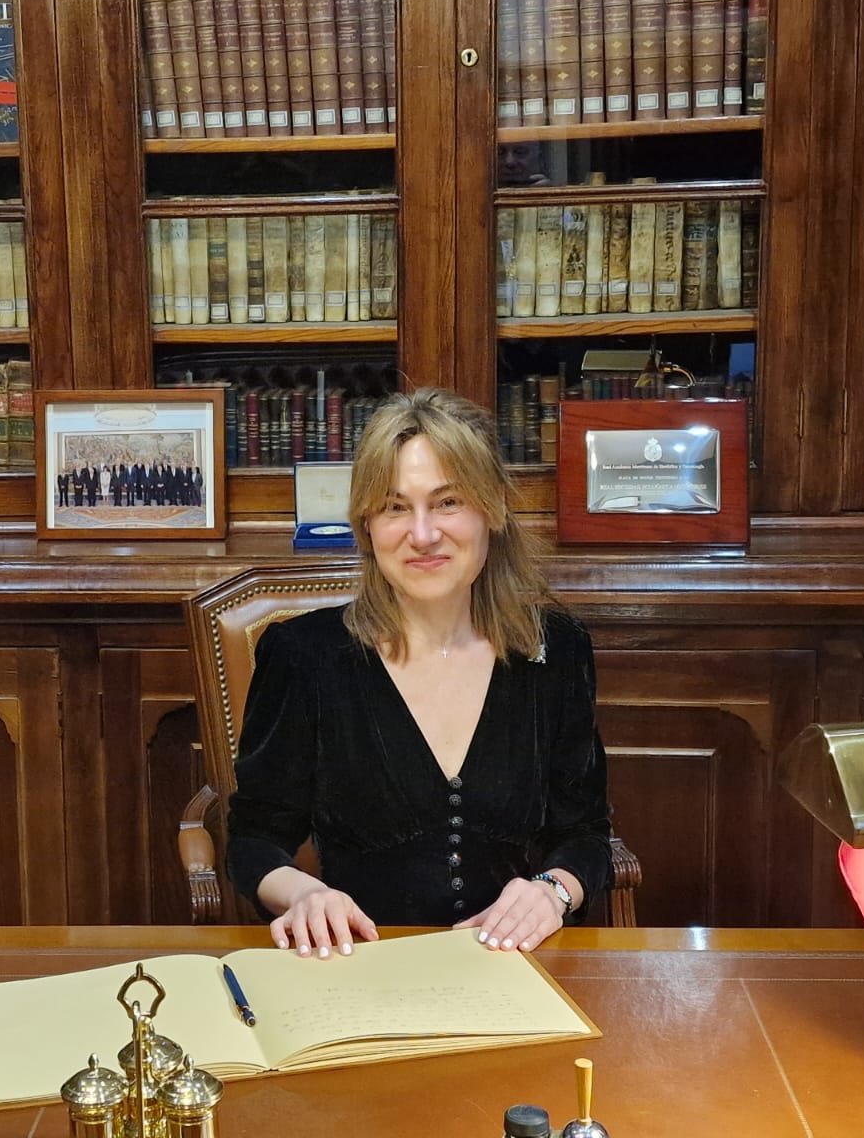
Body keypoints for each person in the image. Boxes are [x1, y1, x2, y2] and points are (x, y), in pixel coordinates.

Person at [227, 387, 611, 959]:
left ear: (494, 510)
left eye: (449, 502)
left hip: (515, 972)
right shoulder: (303, 656)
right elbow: (253, 841)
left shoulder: (556, 650)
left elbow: (584, 835)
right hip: (360, 969)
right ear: (367, 526)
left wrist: (552, 892)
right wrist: (305, 894)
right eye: (394, 506)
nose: (424, 534)